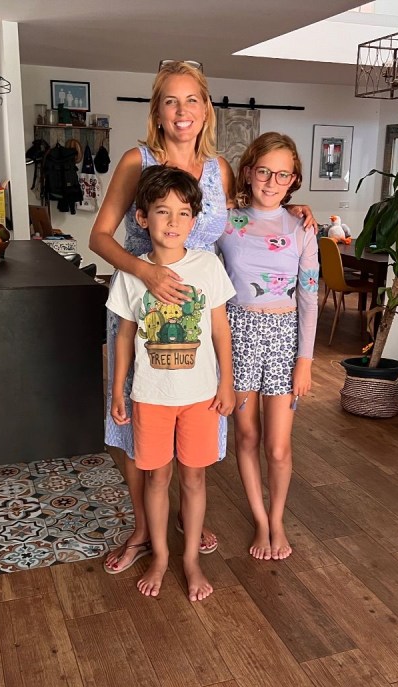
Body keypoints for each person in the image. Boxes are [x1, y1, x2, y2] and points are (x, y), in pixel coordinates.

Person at [90, 60, 315, 574]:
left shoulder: (219, 169)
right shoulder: (135, 159)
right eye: (171, 100)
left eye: (192, 100)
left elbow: (251, 216)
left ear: (206, 108)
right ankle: (144, 530)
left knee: (196, 418)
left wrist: (299, 212)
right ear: (157, 110)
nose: (182, 110)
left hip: (205, 314)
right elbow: (99, 237)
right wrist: (144, 274)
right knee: (138, 426)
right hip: (139, 304)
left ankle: (189, 519)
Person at [107, 165, 236, 600]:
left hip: (200, 398)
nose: (173, 222)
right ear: (143, 218)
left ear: (195, 222)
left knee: (195, 480)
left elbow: (220, 329)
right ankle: (160, 556)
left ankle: (190, 560)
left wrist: (227, 384)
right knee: (157, 480)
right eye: (163, 212)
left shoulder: (208, 266)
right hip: (149, 397)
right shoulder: (133, 272)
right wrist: (117, 389)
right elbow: (124, 335)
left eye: (183, 213)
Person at [217, 132, 319, 560]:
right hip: (237, 335)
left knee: (277, 446)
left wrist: (306, 361)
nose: (272, 181)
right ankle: (260, 521)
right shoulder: (226, 222)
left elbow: (309, 298)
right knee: (246, 436)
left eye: (282, 174)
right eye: (264, 171)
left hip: (284, 336)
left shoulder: (302, 228)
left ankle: (277, 519)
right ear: (248, 171)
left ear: (293, 179)